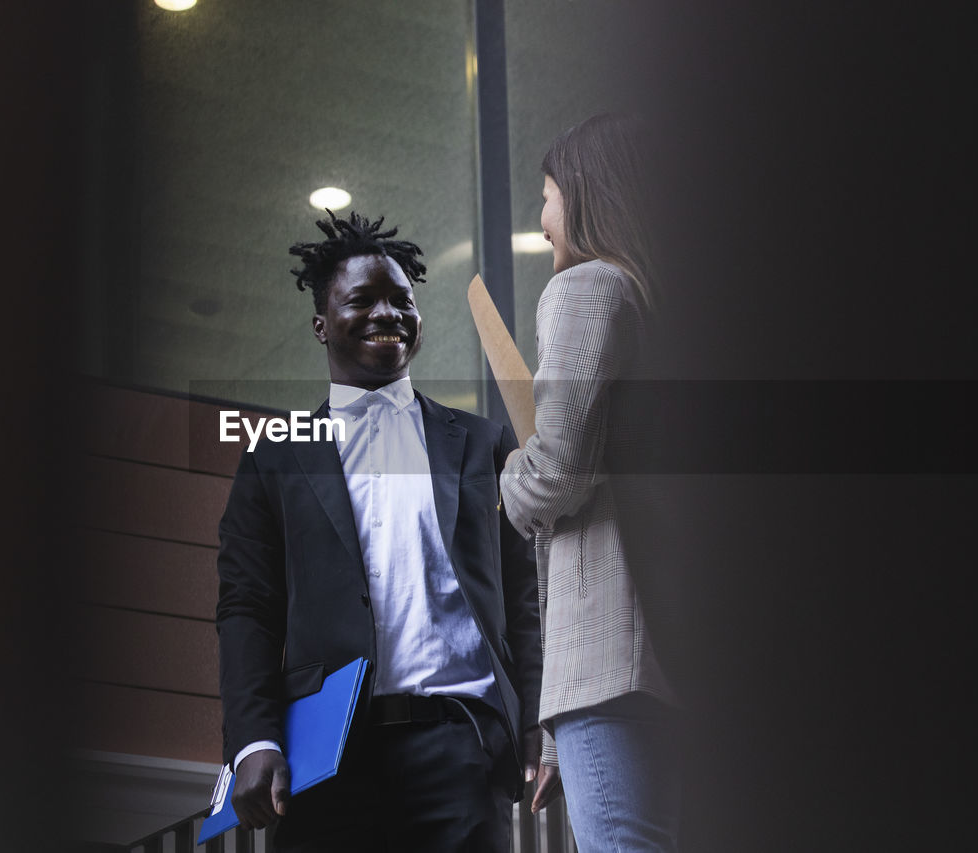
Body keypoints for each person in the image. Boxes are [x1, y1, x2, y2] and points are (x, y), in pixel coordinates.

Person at [215, 211, 543, 853]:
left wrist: (535, 723)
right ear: (320, 325)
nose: (387, 313)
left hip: (462, 748)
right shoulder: (274, 454)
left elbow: (524, 594)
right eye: (362, 300)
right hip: (327, 760)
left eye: (402, 300)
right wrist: (254, 739)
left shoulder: (481, 443)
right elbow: (247, 609)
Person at [500, 113, 683, 852]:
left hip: (607, 669)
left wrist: (510, 476)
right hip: (663, 661)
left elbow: (557, 473)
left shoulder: (585, 288)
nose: (541, 218)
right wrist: (549, 744)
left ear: (579, 195)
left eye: (545, 195)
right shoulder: (657, 304)